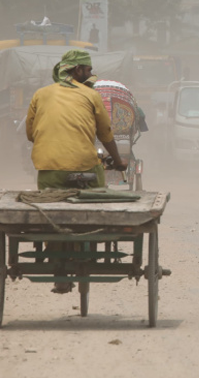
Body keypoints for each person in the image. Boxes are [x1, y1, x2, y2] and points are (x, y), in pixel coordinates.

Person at [25, 49, 127, 293]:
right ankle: (89, 253)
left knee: (51, 213)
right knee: (96, 204)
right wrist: (118, 160)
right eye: (88, 70)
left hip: (48, 166)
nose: (90, 74)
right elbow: (105, 134)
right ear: (77, 70)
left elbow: (30, 134)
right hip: (85, 164)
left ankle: (58, 265)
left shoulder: (40, 94)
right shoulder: (91, 96)